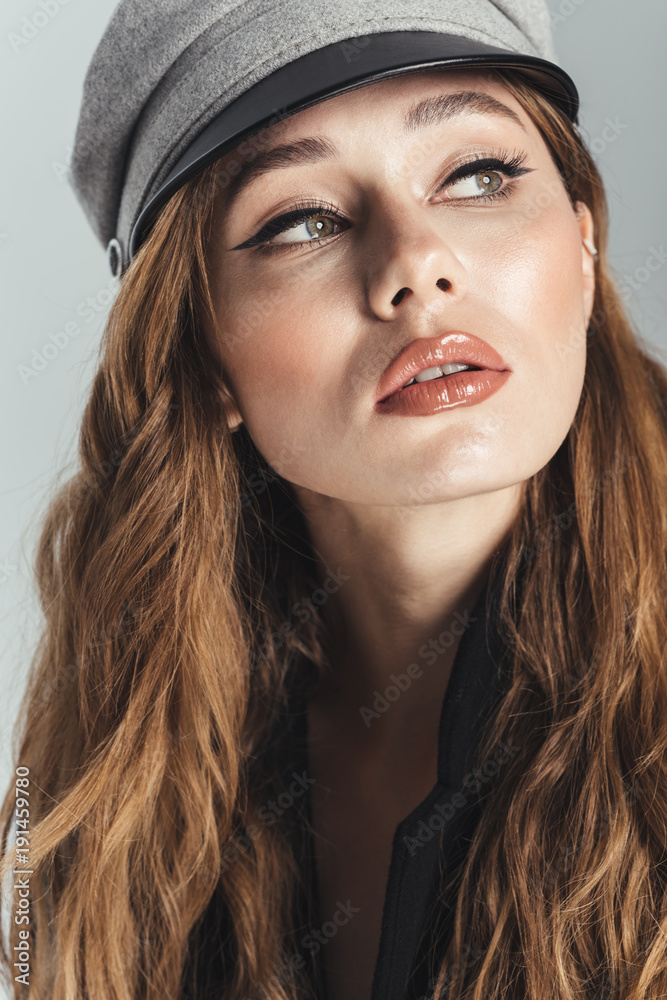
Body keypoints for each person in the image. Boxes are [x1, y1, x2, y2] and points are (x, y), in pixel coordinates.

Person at [2, 2, 667, 999]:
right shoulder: (118, 774)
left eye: (477, 175)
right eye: (303, 221)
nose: (414, 264)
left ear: (581, 247)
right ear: (201, 356)